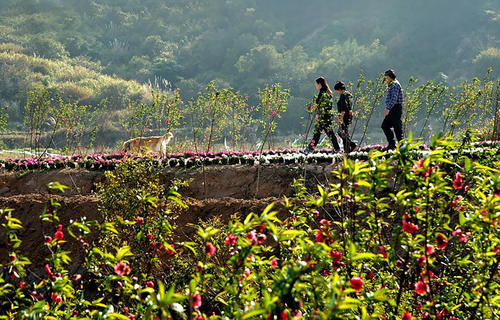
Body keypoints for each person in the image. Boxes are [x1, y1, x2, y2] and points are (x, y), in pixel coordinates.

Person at [306, 77, 341, 153]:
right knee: (326, 134)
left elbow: (319, 106)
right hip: (327, 116)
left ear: (320, 84)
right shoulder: (327, 93)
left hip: (323, 117)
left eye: (316, 84)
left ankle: (309, 149)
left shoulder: (322, 93)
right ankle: (337, 149)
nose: (315, 86)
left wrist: (318, 115)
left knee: (320, 134)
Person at [381, 69, 404, 150]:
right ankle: (392, 144)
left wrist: (388, 108)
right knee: (385, 125)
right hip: (393, 108)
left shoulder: (394, 85)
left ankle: (401, 146)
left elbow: (394, 99)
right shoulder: (392, 84)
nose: (385, 80)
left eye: (386, 78)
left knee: (397, 127)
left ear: (390, 77)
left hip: (395, 108)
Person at [334, 81, 357, 152]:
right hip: (348, 116)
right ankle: (347, 150)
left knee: (340, 132)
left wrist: (341, 118)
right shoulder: (348, 95)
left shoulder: (343, 96)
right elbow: (350, 107)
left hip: (344, 117)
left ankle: (352, 145)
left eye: (337, 90)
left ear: (340, 89)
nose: (337, 92)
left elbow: (343, 109)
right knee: (345, 133)